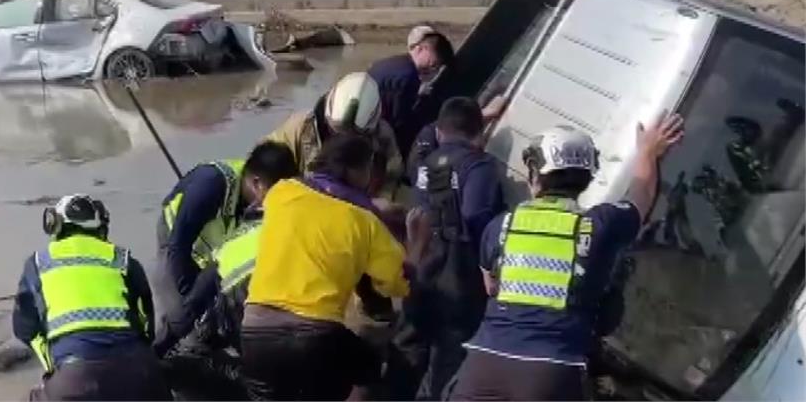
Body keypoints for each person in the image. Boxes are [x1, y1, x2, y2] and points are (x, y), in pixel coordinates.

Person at [446, 114, 685, 401]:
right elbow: (641, 195)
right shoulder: (601, 226)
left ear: (536, 174)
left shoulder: (501, 226)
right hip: (553, 371)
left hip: (486, 364)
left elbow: (491, 288)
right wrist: (648, 151)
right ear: (586, 178)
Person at [241, 133, 411, 400]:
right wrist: (419, 244)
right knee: (370, 368)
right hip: (315, 335)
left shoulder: (283, 191)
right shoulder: (365, 222)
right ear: (357, 172)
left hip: (255, 332)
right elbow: (398, 281)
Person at [386, 97, 506, 400]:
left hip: (420, 270)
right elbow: (478, 220)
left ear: (441, 132)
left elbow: (425, 138)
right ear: (479, 135)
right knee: (447, 363)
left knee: (408, 351)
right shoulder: (479, 166)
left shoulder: (424, 162)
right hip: (457, 281)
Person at [13, 194, 170, 401]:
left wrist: (55, 364)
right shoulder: (124, 260)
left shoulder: (37, 264)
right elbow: (146, 327)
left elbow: (24, 328)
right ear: (100, 227)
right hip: (139, 375)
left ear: (55, 226)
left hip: (75, 381)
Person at [156, 142, 298, 326]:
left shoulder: (257, 198)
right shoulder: (211, 185)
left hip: (213, 244)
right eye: (276, 194)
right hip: (176, 238)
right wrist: (190, 298)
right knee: (178, 309)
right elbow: (178, 245)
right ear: (256, 184)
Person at [154, 210, 267, 400]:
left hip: (251, 327)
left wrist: (155, 350)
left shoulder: (230, 246)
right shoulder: (299, 229)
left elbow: (190, 307)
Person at [265, 71, 403, 200]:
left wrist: (382, 201)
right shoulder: (299, 128)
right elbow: (262, 168)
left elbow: (392, 176)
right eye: (337, 131)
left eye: (353, 137)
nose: (343, 142)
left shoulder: (383, 138)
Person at [368, 26, 453, 160]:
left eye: (437, 65)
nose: (434, 66)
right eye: (434, 60)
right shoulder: (407, 76)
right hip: (373, 129)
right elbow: (400, 122)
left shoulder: (395, 62)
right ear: (420, 49)